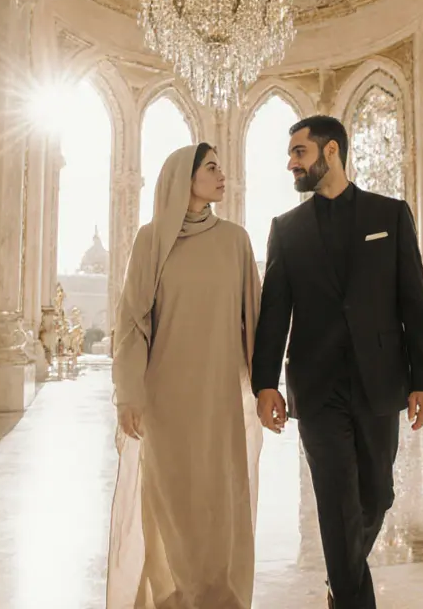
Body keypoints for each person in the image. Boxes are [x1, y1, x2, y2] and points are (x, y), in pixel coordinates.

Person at [252, 116, 423, 608]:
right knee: (337, 502)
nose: (291, 163)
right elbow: (274, 314)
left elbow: (413, 302)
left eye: (299, 153)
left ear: (330, 151)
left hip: (380, 380)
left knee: (376, 496)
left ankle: (340, 582)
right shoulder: (285, 230)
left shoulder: (391, 215)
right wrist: (264, 384)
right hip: (316, 390)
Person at [107, 143, 264, 609]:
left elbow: (255, 320)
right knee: (169, 502)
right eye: (212, 168)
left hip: (219, 398)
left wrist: (266, 388)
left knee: (219, 500)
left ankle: (217, 596)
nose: (222, 175)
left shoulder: (236, 240)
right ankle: (173, 596)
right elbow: (133, 322)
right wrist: (128, 394)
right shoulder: (151, 239)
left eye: (221, 167)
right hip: (165, 399)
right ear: (184, 178)